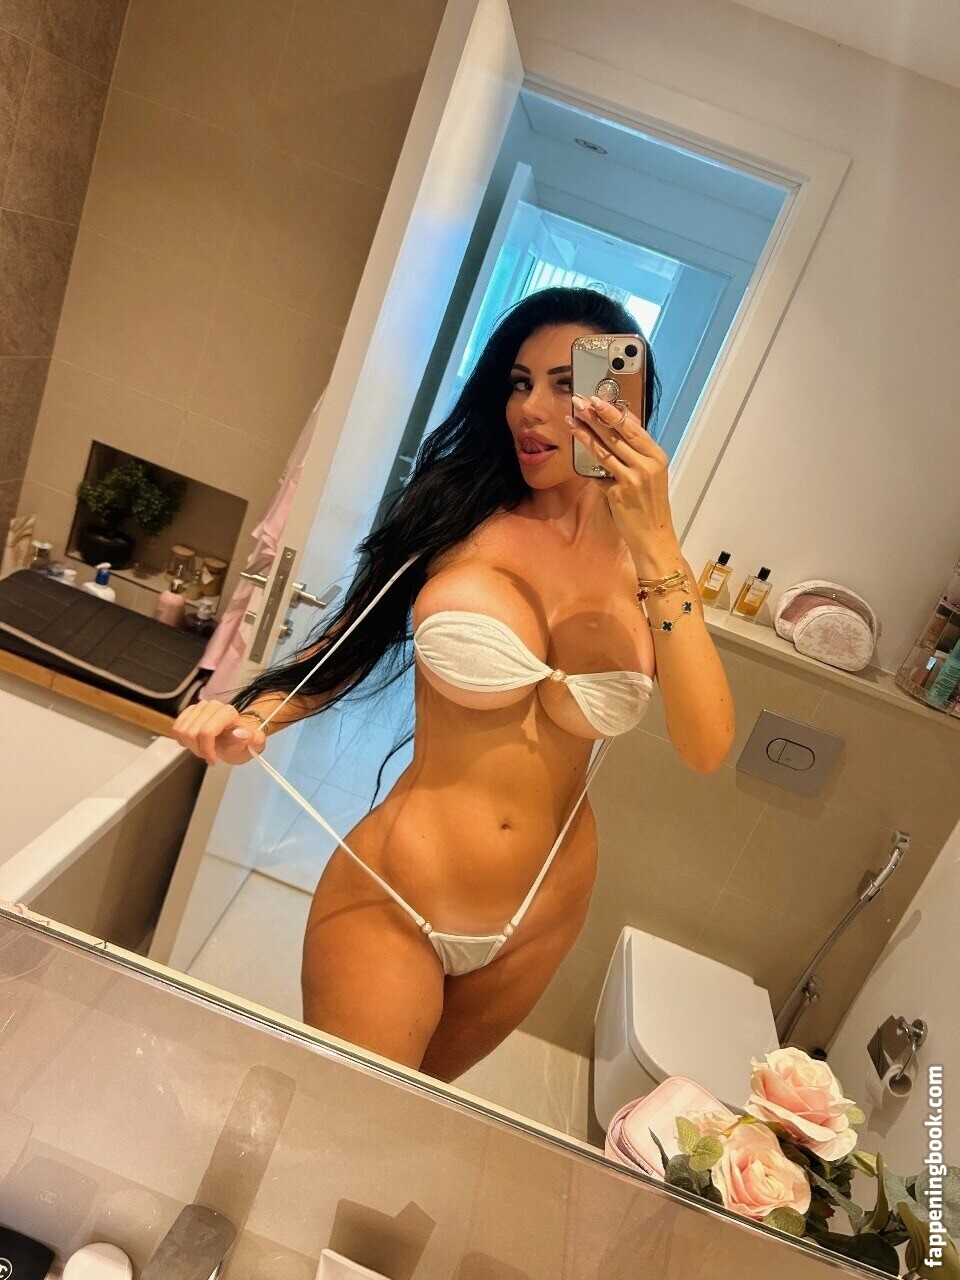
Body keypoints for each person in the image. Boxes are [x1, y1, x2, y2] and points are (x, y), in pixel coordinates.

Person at [172, 287, 734, 1081]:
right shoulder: (458, 515)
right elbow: (348, 645)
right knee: (337, 1114)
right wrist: (253, 715)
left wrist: (658, 542)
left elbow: (706, 746)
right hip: (397, 890)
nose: (529, 409)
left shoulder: (652, 569)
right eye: (518, 382)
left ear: (623, 403)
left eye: (566, 385)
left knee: (409, 1126)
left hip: (544, 912)